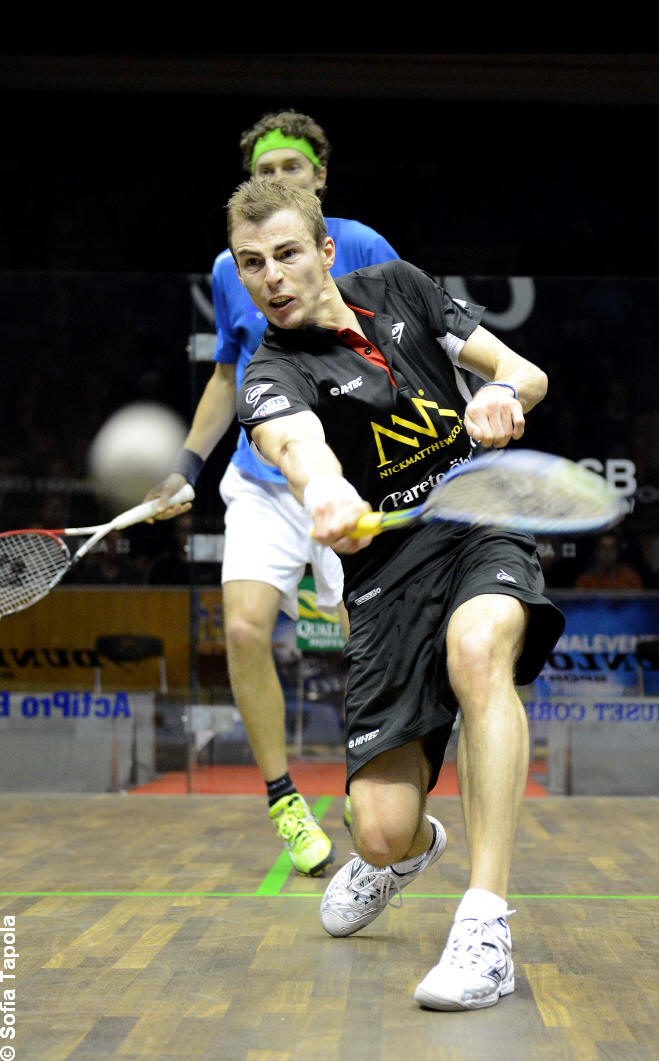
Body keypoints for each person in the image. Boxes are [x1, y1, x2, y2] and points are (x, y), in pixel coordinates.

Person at [229, 178, 566, 1011]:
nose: (271, 277)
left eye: (286, 254)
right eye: (251, 264)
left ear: (325, 251)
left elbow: (523, 372)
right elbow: (294, 441)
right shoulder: (267, 370)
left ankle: (484, 924)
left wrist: (498, 393)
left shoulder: (399, 288)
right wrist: (323, 489)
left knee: (477, 651)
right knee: (378, 830)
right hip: (384, 576)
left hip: (476, 519)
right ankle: (409, 853)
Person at [148, 110, 399, 877]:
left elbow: (403, 352)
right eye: (265, 170)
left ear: (318, 176)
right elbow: (228, 375)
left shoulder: (363, 247)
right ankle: (284, 800)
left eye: (292, 167)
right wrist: (186, 467)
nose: (278, 179)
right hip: (263, 482)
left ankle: (368, 783)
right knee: (243, 626)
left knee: (369, 639)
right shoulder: (233, 267)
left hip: (348, 479)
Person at [575, 531, 644, 590]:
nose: (608, 552)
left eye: (612, 548)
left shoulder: (631, 578)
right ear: (597, 551)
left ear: (618, 551)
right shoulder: (585, 580)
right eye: (603, 548)